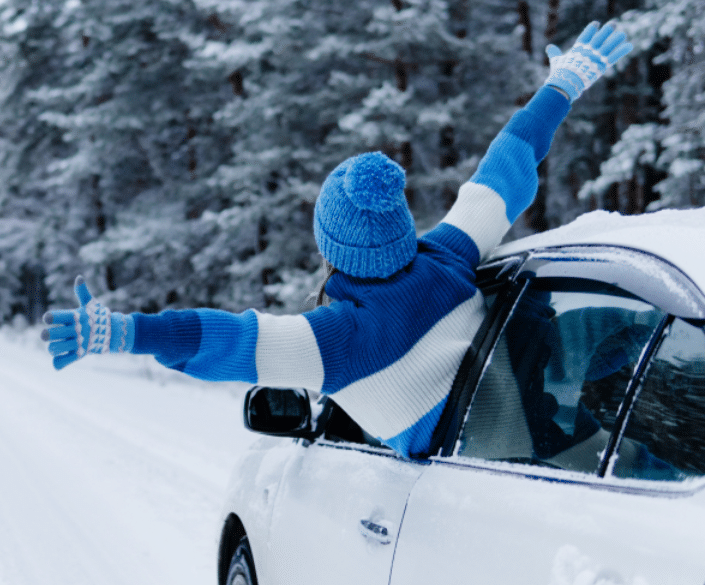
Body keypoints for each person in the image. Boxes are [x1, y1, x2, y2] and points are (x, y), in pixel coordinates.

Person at [41, 21, 634, 459]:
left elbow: (220, 337)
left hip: (482, 479)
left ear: (332, 249)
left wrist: (122, 331)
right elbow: (507, 163)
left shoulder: (337, 342)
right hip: (558, 444)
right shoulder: (450, 256)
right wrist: (565, 82)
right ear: (400, 225)